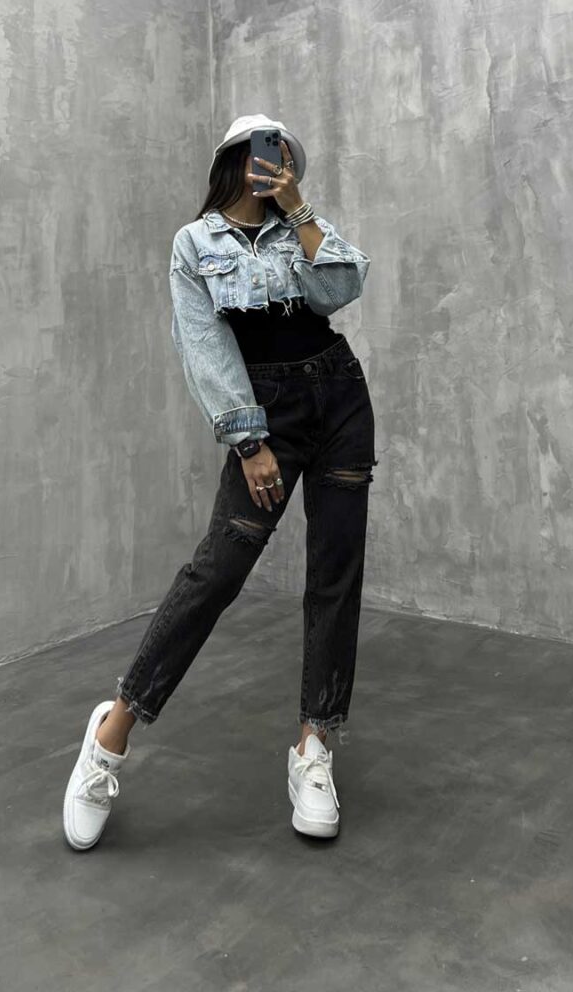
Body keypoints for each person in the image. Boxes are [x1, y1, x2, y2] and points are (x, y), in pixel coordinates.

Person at [63, 114, 376, 850]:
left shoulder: (297, 226)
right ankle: (110, 733)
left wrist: (300, 209)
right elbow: (202, 343)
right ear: (235, 160)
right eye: (265, 155)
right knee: (219, 570)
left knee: (335, 573)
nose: (275, 165)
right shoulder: (194, 243)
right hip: (265, 411)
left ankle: (314, 746)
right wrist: (249, 440)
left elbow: (343, 286)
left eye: (285, 157)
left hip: (340, 398)